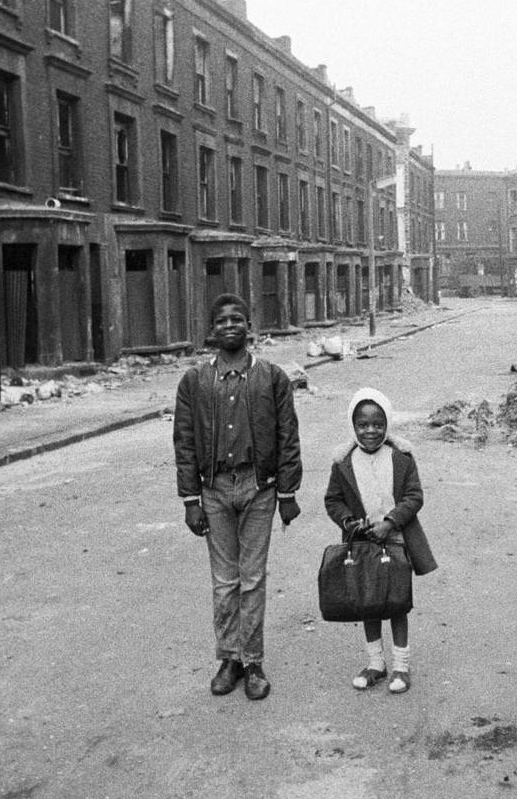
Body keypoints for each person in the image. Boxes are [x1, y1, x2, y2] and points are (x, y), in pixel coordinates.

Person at [173, 293, 303, 702]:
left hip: (259, 489)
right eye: (222, 320)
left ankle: (253, 663)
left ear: (250, 328)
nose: (230, 326)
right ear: (211, 331)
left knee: (253, 578)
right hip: (213, 490)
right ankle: (228, 659)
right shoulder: (194, 382)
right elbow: (185, 442)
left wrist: (287, 491)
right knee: (224, 580)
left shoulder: (272, 377)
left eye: (238, 319)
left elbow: (287, 436)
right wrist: (190, 499)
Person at [323, 387, 436, 694]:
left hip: (397, 541)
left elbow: (414, 496)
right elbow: (333, 500)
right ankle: (376, 664)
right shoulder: (344, 462)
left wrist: (391, 522)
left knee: (397, 602)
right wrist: (349, 522)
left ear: (388, 424)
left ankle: (401, 666)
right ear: (353, 425)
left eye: (377, 424)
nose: (370, 430)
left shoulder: (401, 458)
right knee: (368, 602)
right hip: (363, 544)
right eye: (363, 424)